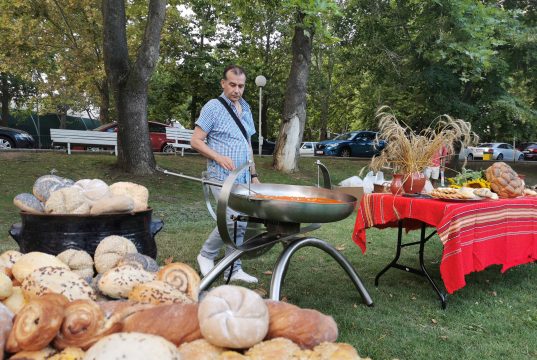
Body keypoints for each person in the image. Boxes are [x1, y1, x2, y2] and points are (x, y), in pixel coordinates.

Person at [191, 65, 259, 284]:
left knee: (242, 221)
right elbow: (196, 140)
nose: (236, 90)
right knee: (231, 219)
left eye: (241, 86)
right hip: (219, 175)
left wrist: (254, 173)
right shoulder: (213, 107)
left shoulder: (246, 108)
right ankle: (206, 254)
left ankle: (233, 268)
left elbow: (247, 143)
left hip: (243, 177)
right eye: (232, 84)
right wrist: (218, 157)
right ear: (223, 83)